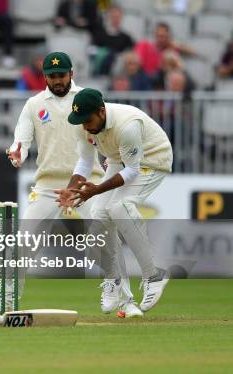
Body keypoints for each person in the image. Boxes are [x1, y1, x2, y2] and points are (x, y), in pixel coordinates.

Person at [5, 52, 142, 318]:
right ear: (45, 77)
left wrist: (110, 158)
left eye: (62, 75)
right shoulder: (34, 105)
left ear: (71, 73)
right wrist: (16, 152)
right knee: (24, 242)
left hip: (86, 183)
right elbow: (20, 139)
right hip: (47, 185)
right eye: (52, 76)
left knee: (104, 241)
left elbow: (105, 131)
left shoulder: (86, 99)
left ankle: (126, 301)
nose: (58, 81)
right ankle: (7, 300)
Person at [55, 88, 173, 313]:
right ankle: (114, 281)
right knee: (98, 216)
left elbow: (132, 170)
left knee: (120, 208)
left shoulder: (127, 125)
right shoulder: (84, 125)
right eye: (80, 121)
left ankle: (154, 275)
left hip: (153, 160)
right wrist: (72, 189)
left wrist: (96, 189)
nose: (85, 127)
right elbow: (85, 161)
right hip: (121, 159)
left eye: (88, 120)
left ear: (101, 111)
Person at [91, 5, 134, 75]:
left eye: (118, 17)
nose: (116, 20)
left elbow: (131, 52)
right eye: (113, 17)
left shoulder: (126, 37)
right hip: (101, 66)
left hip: (119, 69)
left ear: (121, 18)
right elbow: (92, 50)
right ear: (108, 17)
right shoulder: (99, 34)